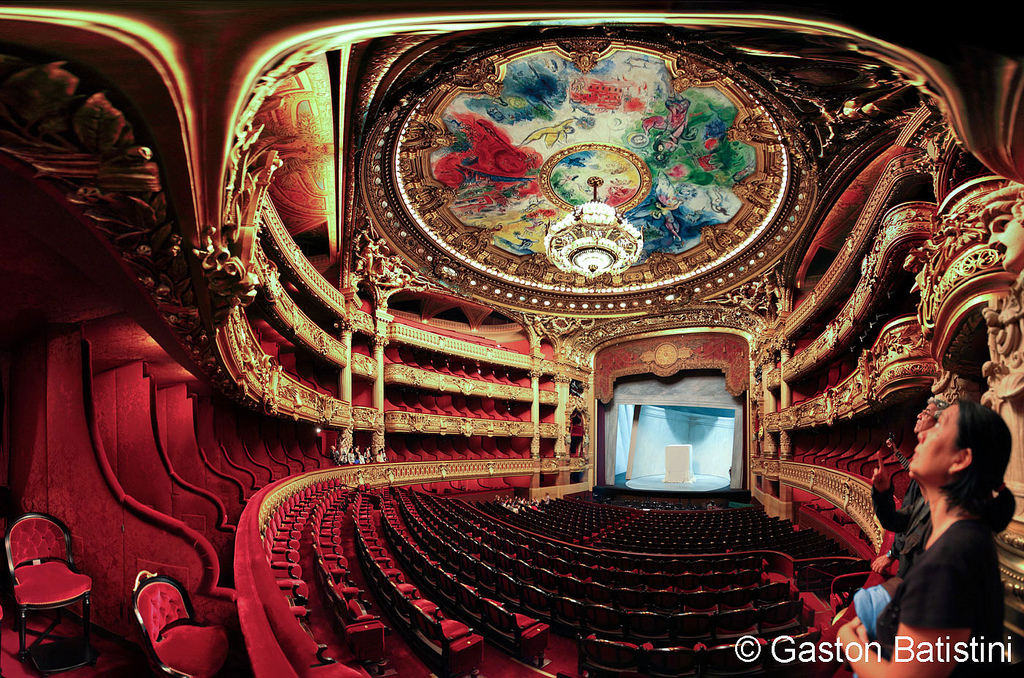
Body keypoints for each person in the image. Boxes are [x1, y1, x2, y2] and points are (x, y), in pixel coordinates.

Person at [839, 400, 1016, 677]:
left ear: (960, 459)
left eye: (939, 425)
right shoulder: (963, 535)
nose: (921, 434)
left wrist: (847, 638)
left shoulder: (951, 557)